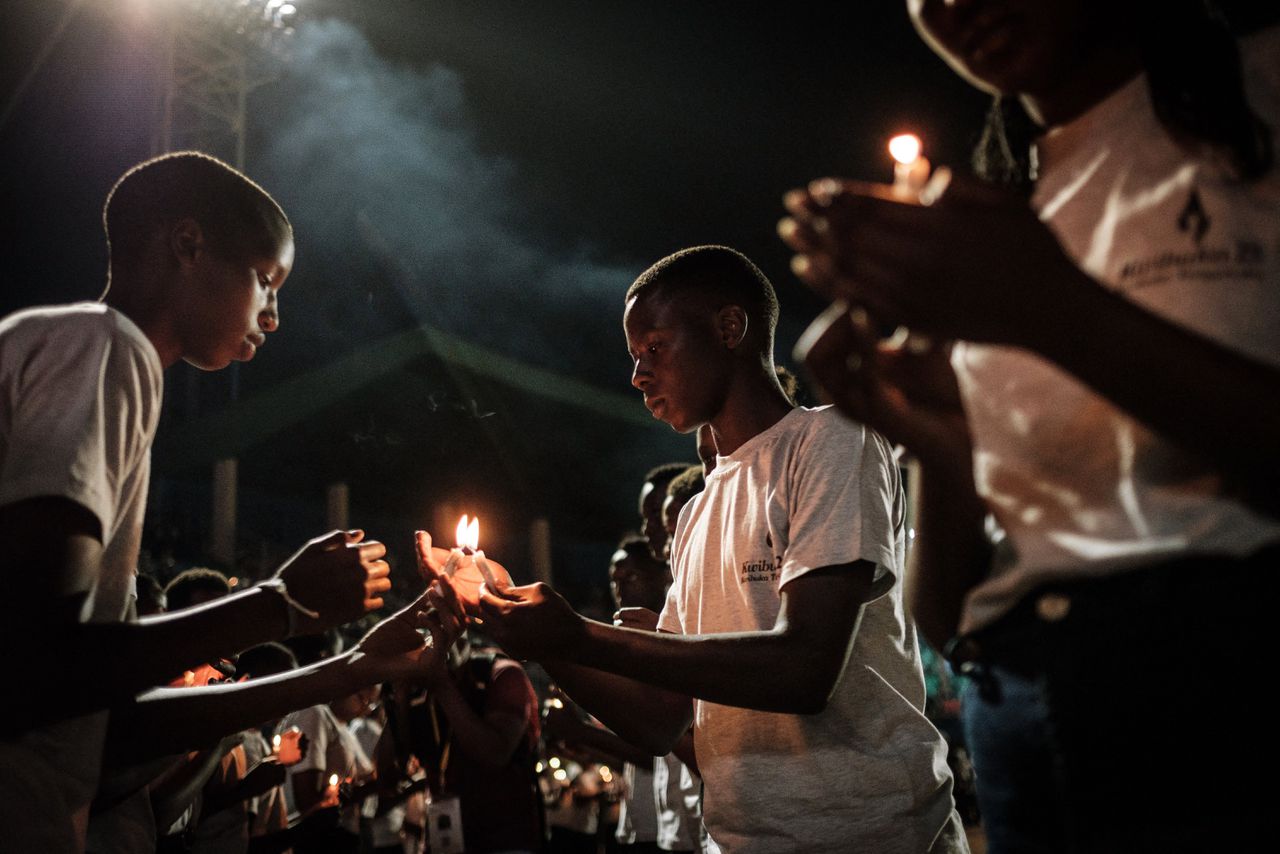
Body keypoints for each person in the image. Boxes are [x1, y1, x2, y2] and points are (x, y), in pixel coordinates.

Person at [778, 1, 1279, 849]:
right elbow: (950, 616)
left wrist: (1054, 310)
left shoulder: (1259, 92)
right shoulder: (998, 205)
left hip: (1233, 697)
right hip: (1021, 715)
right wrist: (934, 437)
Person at [0, 151, 458, 852]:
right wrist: (280, 603)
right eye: (267, 282)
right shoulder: (103, 347)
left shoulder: (87, 355)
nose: (273, 317)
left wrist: (346, 669)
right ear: (188, 245)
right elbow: (39, 662)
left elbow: (104, 720)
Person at [467, 246, 965, 852]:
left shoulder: (830, 440)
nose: (638, 374)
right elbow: (658, 719)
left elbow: (805, 671)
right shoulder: (700, 509)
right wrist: (539, 640)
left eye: (655, 347)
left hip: (873, 832)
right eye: (633, 356)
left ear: (730, 329)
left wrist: (578, 636)